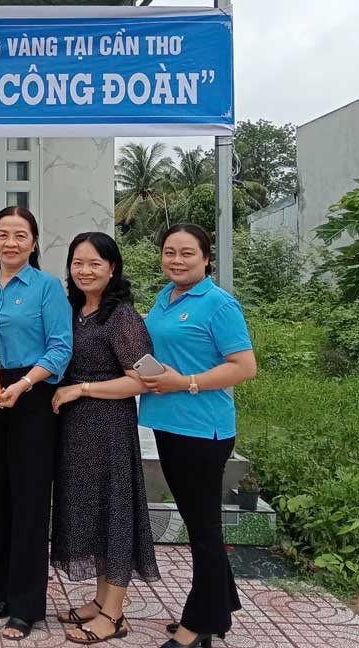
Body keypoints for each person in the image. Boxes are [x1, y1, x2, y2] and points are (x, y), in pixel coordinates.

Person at [139, 224, 257, 648]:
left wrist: (186, 381)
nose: (176, 260)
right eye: (169, 252)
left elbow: (244, 366)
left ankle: (200, 624)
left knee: (203, 527)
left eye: (187, 253)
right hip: (168, 424)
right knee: (198, 521)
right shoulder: (164, 298)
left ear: (206, 258)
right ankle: (219, 607)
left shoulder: (219, 304)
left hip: (203, 429)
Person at [0, 206, 72, 641]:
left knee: (29, 499)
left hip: (32, 394)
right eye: (3, 234)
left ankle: (28, 606)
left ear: (33, 242)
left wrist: (24, 384)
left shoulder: (48, 287)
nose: (11, 242)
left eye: (20, 235)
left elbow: (61, 348)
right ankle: (3, 590)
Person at [49, 232, 161, 644]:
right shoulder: (77, 311)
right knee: (92, 512)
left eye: (95, 263)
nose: (85, 270)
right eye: (78, 263)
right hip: (77, 430)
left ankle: (114, 613)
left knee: (114, 512)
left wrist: (82, 389)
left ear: (112, 268)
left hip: (109, 427)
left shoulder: (121, 317)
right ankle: (99, 601)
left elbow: (145, 379)